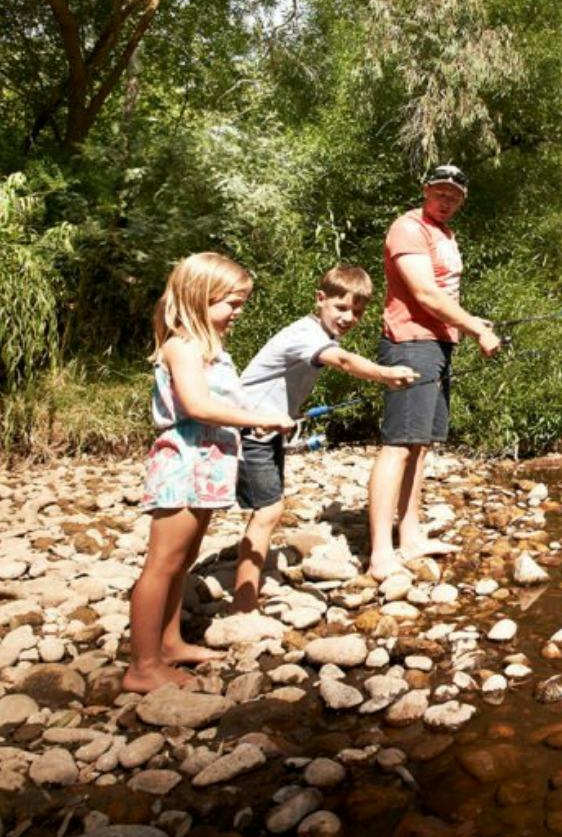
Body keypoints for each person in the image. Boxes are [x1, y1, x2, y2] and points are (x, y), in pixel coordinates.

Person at [126, 253, 294, 692]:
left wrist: (252, 416)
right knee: (161, 566)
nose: (238, 312)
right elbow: (197, 406)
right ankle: (142, 666)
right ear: (199, 300)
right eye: (231, 304)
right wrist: (262, 419)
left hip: (209, 467)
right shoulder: (182, 346)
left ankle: (170, 644)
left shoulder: (213, 351)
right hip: (183, 465)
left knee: (182, 564)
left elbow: (221, 405)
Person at [230, 264, 418, 613]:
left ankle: (244, 587)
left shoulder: (317, 334)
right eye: (341, 308)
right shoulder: (306, 334)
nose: (349, 317)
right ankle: (243, 604)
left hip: (264, 428)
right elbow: (343, 361)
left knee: (264, 508)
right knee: (268, 511)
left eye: (357, 312)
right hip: (249, 428)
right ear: (320, 299)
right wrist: (384, 374)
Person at [368, 163, 500, 578]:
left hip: (439, 343)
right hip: (410, 342)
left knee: (420, 444)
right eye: (441, 191)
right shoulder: (408, 228)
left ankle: (409, 537)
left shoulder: (446, 234)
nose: (447, 200)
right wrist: (476, 326)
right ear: (426, 190)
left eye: (455, 195)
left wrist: (466, 322)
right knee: (398, 443)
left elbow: (442, 295)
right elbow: (424, 293)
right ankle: (379, 554)